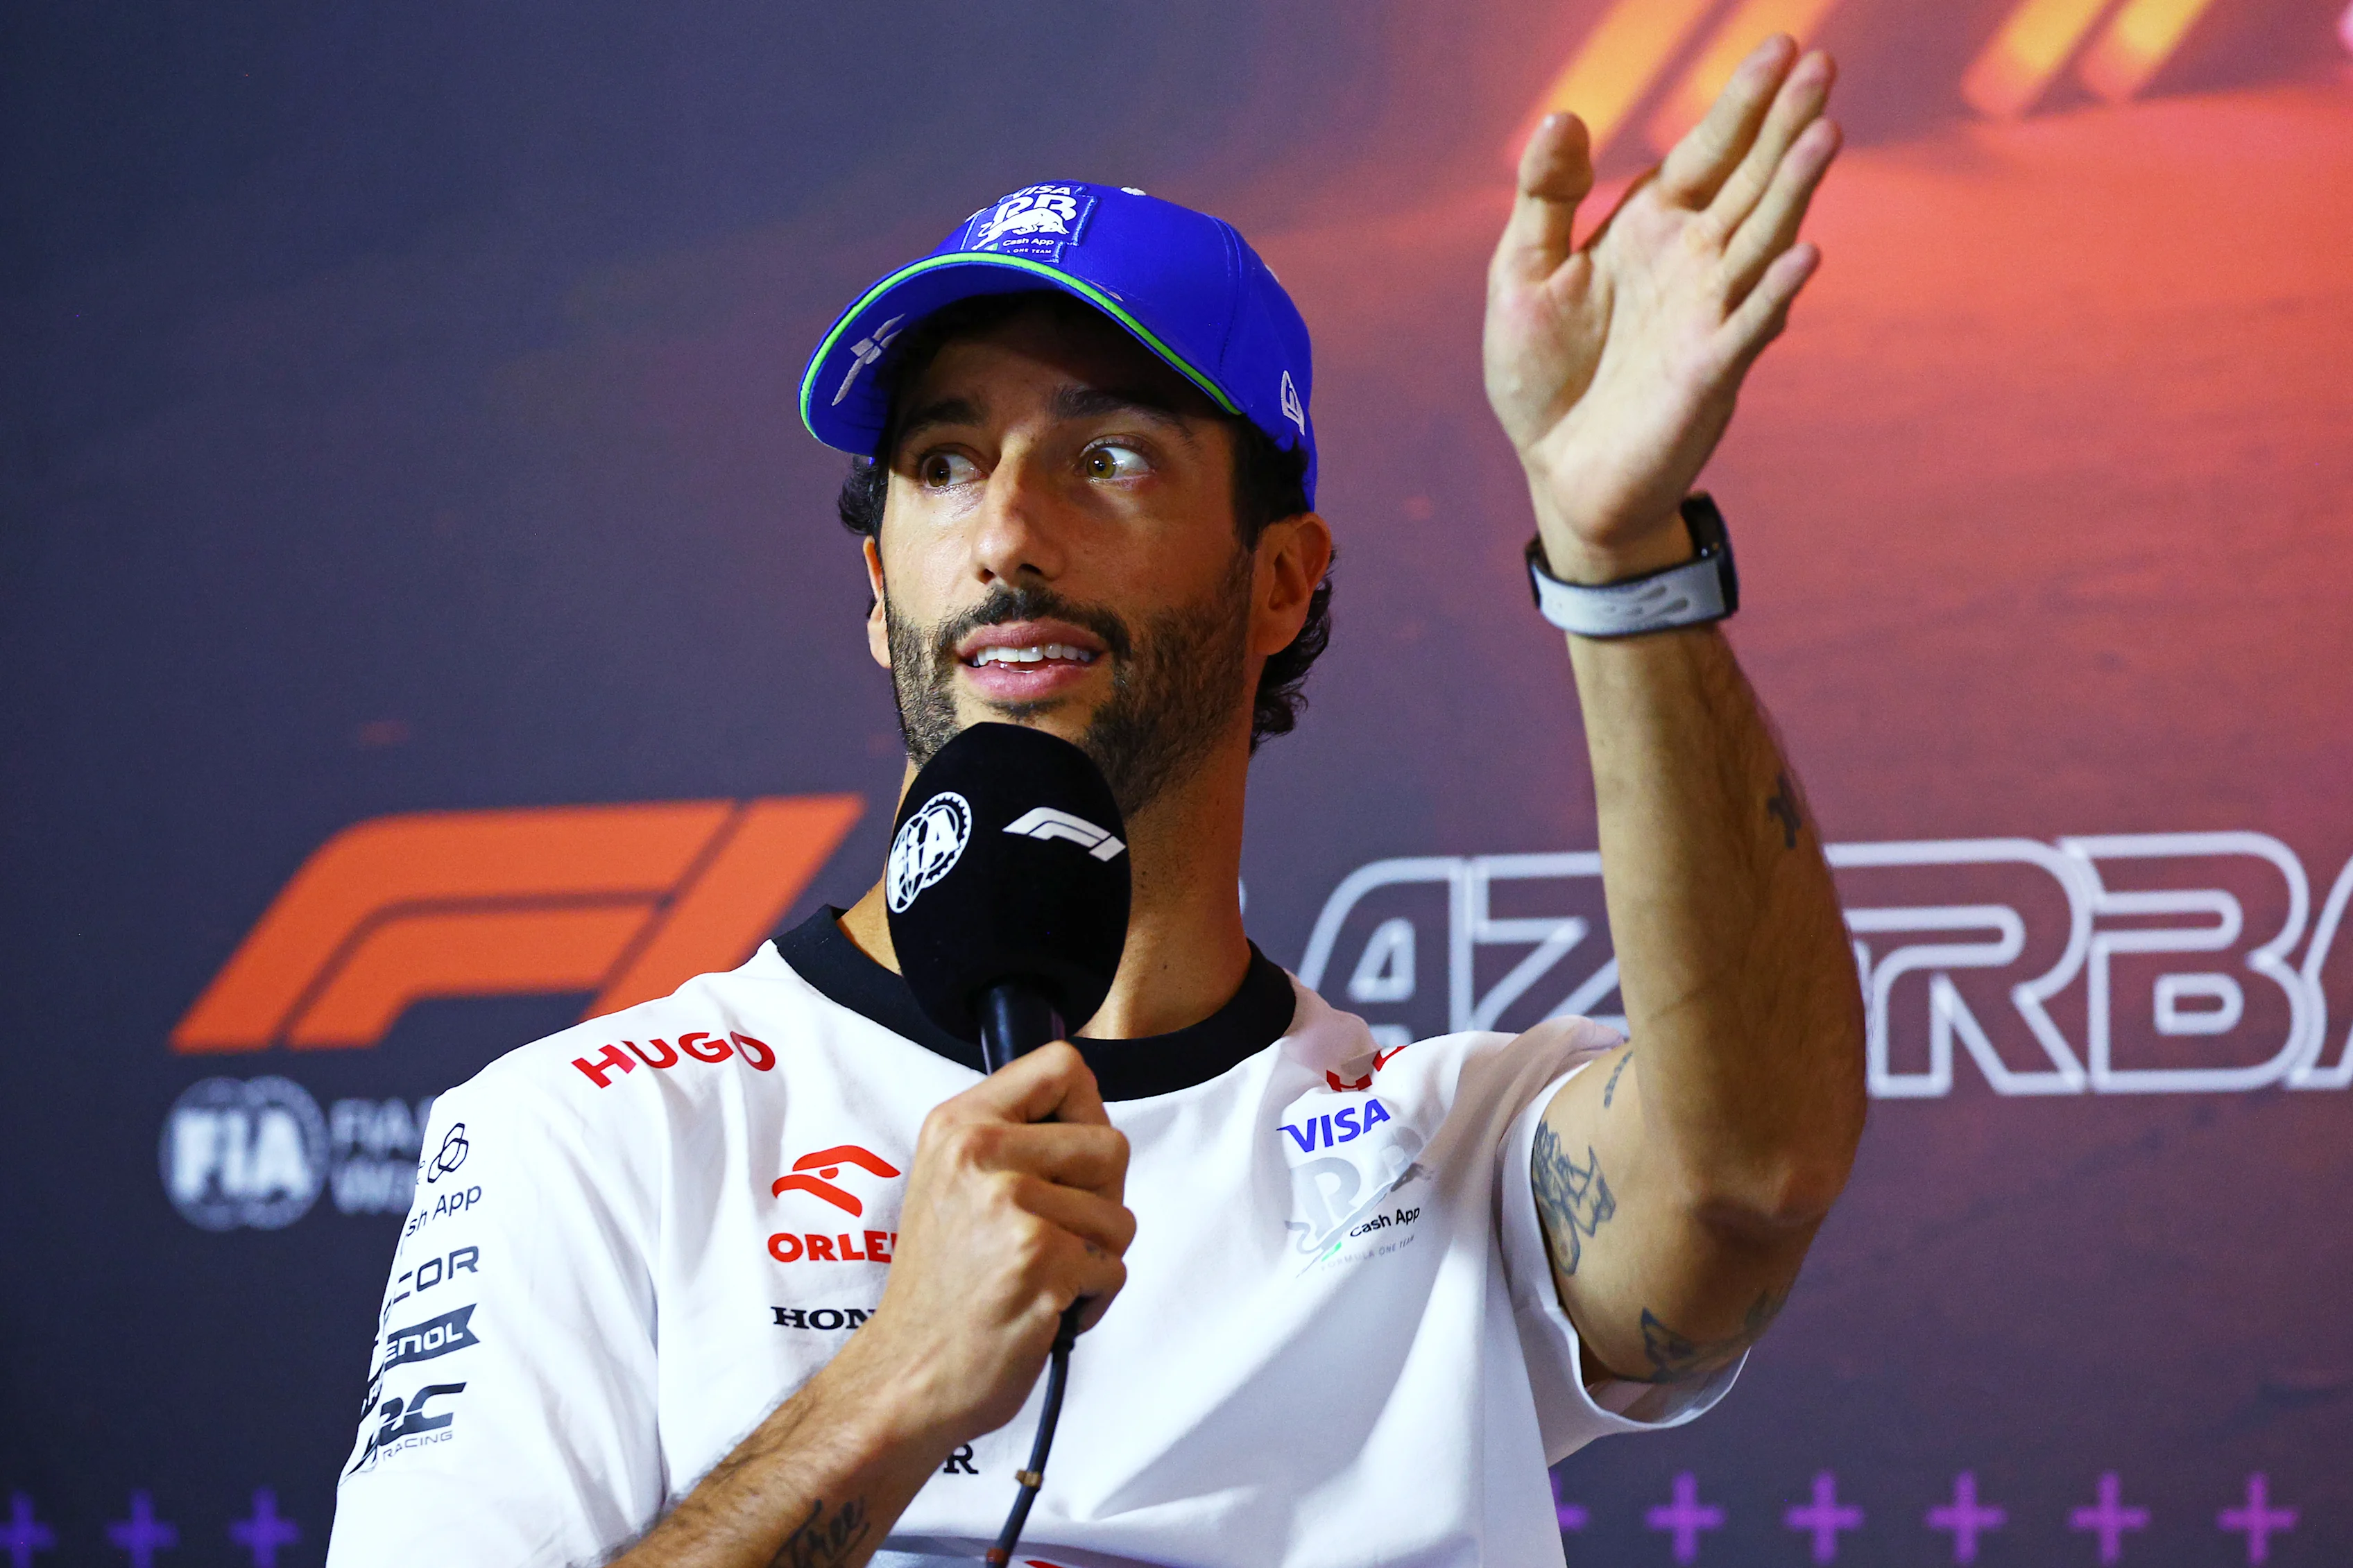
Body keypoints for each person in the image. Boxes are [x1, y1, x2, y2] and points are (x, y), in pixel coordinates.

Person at [326, 36, 1863, 1568]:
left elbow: (1746, 1178)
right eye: (942, 461)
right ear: (877, 590)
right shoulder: (593, 1130)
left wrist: (1617, 549)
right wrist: (897, 1382)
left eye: (1107, 453)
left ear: (1280, 581)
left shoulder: (1434, 1154)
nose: (1007, 528)